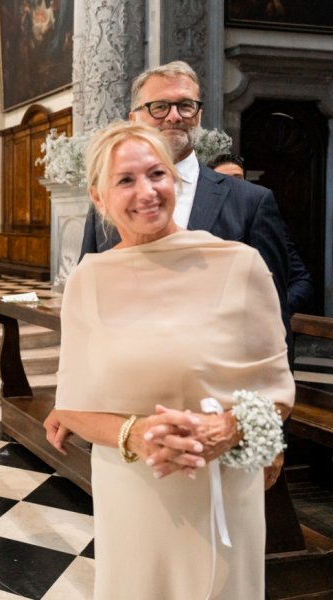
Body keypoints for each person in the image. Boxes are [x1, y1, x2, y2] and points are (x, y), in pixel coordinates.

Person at [53, 121, 294, 599]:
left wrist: (227, 427)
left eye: (157, 174)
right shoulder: (90, 278)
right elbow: (74, 404)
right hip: (133, 487)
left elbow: (278, 392)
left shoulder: (238, 264)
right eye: (126, 180)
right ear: (99, 198)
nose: (146, 191)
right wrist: (135, 434)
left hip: (220, 485)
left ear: (176, 180)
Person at [47, 60, 292, 474]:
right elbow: (90, 324)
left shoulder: (251, 203)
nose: (173, 116)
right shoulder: (101, 223)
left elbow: (272, 331)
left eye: (185, 105)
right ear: (135, 117)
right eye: (158, 107)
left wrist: (265, 432)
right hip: (131, 443)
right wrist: (74, 403)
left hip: (223, 440)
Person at [208, 152, 314, 315]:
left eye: (237, 179)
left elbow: (301, 279)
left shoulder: (261, 215)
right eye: (223, 179)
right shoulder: (204, 219)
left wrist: (276, 311)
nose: (232, 186)